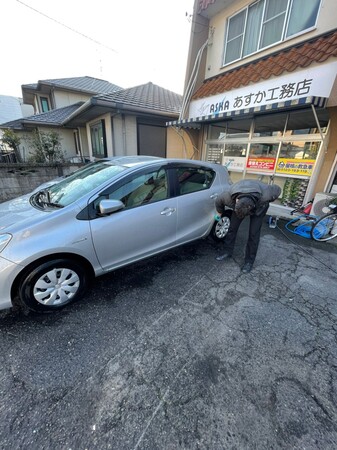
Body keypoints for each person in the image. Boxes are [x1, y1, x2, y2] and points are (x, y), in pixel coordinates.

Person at [215, 179, 281, 273]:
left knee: (254, 234)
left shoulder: (267, 194)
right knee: (232, 228)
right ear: (236, 201)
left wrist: (271, 199)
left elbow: (278, 189)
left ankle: (249, 262)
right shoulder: (227, 197)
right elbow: (218, 202)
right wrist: (219, 214)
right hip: (242, 202)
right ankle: (227, 252)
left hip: (259, 207)